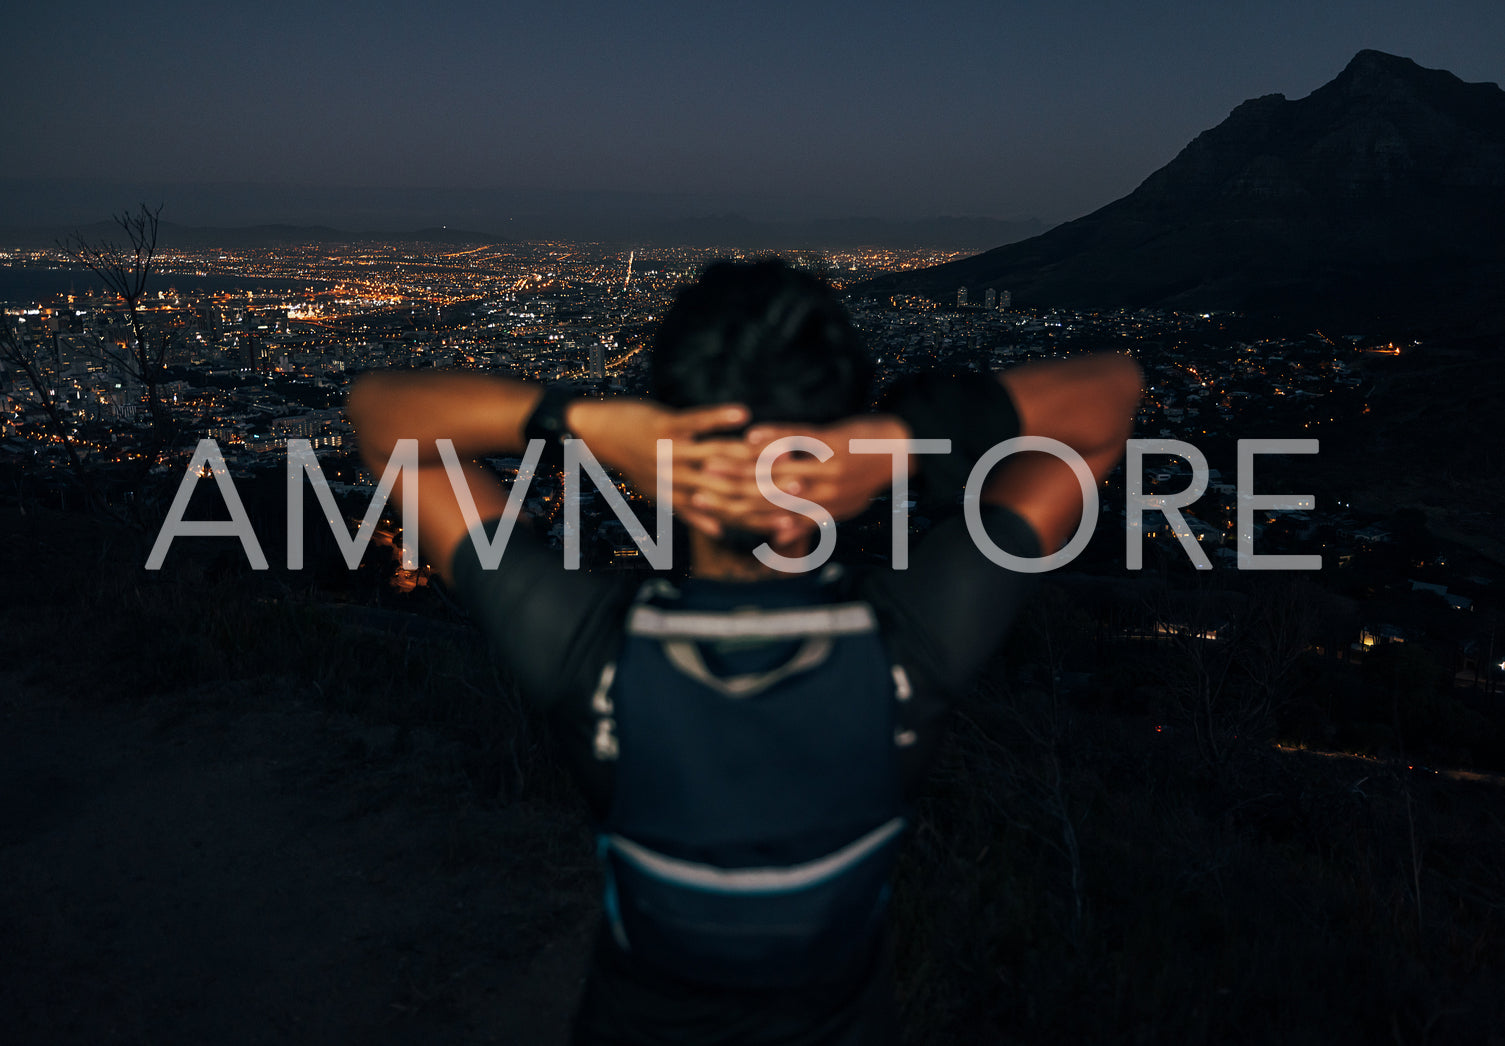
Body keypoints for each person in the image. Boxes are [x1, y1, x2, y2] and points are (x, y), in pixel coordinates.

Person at [347, 260, 1142, 1044]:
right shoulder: (904, 651)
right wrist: (900, 439)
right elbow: (1106, 401)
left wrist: (592, 423)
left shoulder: (594, 656)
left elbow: (381, 419)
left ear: (664, 465)